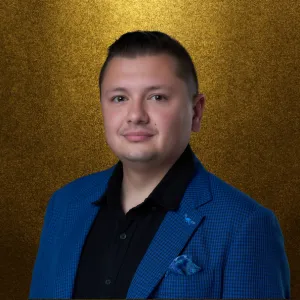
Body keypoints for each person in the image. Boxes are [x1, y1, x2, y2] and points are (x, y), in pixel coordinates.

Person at [29, 30, 290, 299]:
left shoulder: (244, 225)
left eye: (157, 97)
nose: (136, 115)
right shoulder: (64, 205)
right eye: (120, 98)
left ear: (196, 112)